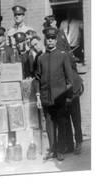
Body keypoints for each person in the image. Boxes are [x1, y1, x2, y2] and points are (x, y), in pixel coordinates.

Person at [45, 14, 83, 154]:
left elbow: (73, 70)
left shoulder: (66, 54)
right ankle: (70, 145)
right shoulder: (54, 55)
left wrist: (73, 86)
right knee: (65, 118)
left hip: (71, 89)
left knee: (75, 117)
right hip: (62, 91)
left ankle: (78, 142)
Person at [35, 27, 73, 161]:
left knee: (61, 123)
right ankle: (52, 149)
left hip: (60, 98)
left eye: (52, 39)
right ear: (45, 40)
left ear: (56, 40)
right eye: (48, 39)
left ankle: (61, 149)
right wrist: (38, 96)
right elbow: (37, 79)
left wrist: (67, 96)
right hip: (46, 98)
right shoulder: (41, 58)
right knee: (49, 124)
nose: (50, 41)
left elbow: (70, 79)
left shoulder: (63, 55)